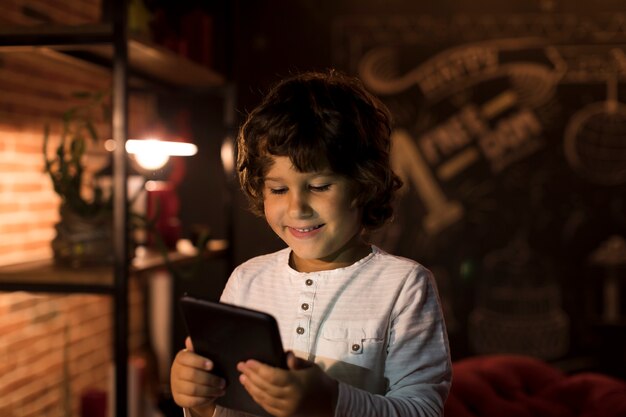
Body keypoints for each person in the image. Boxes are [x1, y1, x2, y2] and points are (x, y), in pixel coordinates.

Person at [170, 70, 452, 417]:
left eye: (319, 186)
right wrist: (201, 401)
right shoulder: (247, 280)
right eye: (278, 189)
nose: (296, 208)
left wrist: (329, 401)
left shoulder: (404, 285)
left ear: (363, 184)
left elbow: (422, 410)